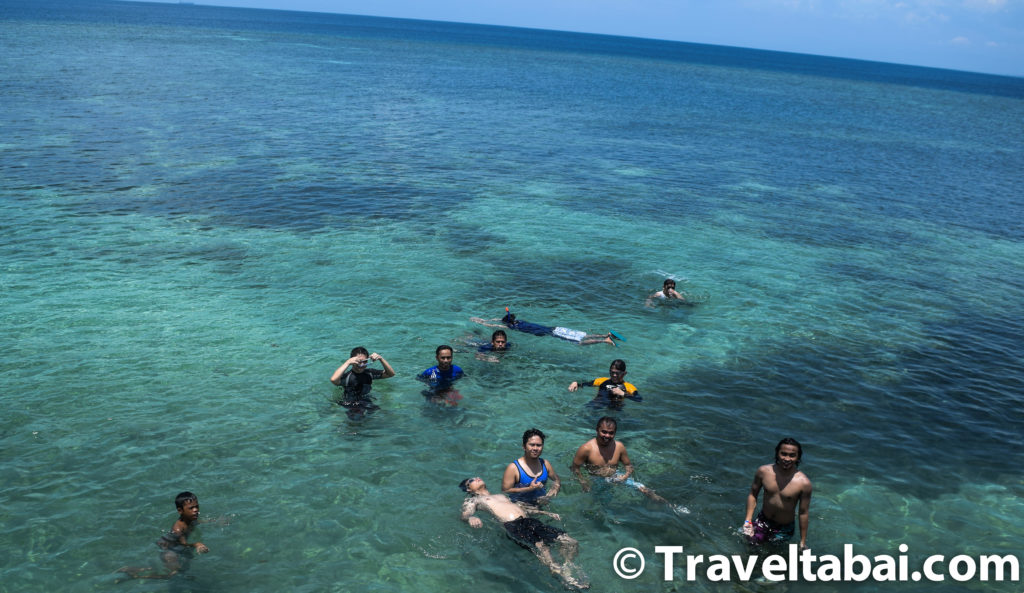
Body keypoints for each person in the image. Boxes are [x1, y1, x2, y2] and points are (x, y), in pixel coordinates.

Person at [459, 477, 588, 589]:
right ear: (469, 489)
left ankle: (567, 565)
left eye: (476, 477)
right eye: (471, 480)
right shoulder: (473, 500)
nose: (476, 478)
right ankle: (563, 576)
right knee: (543, 548)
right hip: (512, 525)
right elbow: (465, 514)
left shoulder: (500, 495)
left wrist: (543, 513)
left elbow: (521, 508)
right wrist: (471, 518)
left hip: (530, 521)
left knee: (570, 542)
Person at [571, 417, 668, 504]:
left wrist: (625, 476)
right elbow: (575, 468)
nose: (607, 435)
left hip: (615, 476)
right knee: (597, 503)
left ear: (615, 433)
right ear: (597, 430)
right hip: (595, 479)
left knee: (644, 489)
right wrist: (583, 482)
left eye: (611, 433)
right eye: (604, 432)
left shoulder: (619, 447)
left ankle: (668, 506)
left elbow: (628, 466)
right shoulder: (586, 449)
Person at [116, 492, 210, 581]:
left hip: (175, 547)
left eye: (197, 506)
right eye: (191, 508)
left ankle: (135, 571)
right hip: (169, 550)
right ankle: (134, 574)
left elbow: (198, 523)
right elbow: (184, 544)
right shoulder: (178, 529)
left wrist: (216, 522)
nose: (196, 510)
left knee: (182, 570)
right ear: (180, 511)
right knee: (171, 574)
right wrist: (197, 544)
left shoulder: (191, 519)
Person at [742, 437, 812, 550]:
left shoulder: (803, 483)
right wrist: (748, 521)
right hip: (763, 520)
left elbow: (803, 512)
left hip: (784, 528)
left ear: (798, 457)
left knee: (772, 555)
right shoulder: (763, 472)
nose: (787, 458)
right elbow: (752, 494)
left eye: (792, 455)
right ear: (777, 453)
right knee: (751, 545)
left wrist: (803, 541)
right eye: (783, 454)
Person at [471, 309, 621, 346]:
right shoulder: (519, 321)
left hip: (552, 334)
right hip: (555, 328)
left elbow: (496, 324)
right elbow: (500, 320)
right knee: (582, 334)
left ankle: (604, 340)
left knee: (579, 342)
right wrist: (484, 320)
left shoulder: (513, 328)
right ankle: (604, 334)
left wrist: (482, 322)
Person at [329, 347, 396, 419]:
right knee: (356, 421)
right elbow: (333, 379)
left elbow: (391, 374)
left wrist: (381, 359)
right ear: (352, 361)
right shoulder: (347, 377)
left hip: (366, 400)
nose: (362, 364)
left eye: (365, 361)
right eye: (359, 361)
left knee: (383, 416)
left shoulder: (370, 373)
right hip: (350, 403)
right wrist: (347, 362)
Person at [502, 428, 561, 505]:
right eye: (532, 445)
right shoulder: (513, 468)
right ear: (524, 447)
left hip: (540, 503)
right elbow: (505, 491)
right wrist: (529, 488)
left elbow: (556, 480)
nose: (535, 448)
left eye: (539, 445)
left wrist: (551, 493)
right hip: (520, 505)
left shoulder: (545, 464)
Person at [567, 359, 641, 408]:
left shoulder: (628, 387)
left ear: (624, 373)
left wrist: (623, 394)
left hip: (614, 410)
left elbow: (639, 399)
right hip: (596, 404)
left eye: (617, 373)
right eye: (612, 372)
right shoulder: (602, 380)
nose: (614, 375)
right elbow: (584, 384)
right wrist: (576, 383)